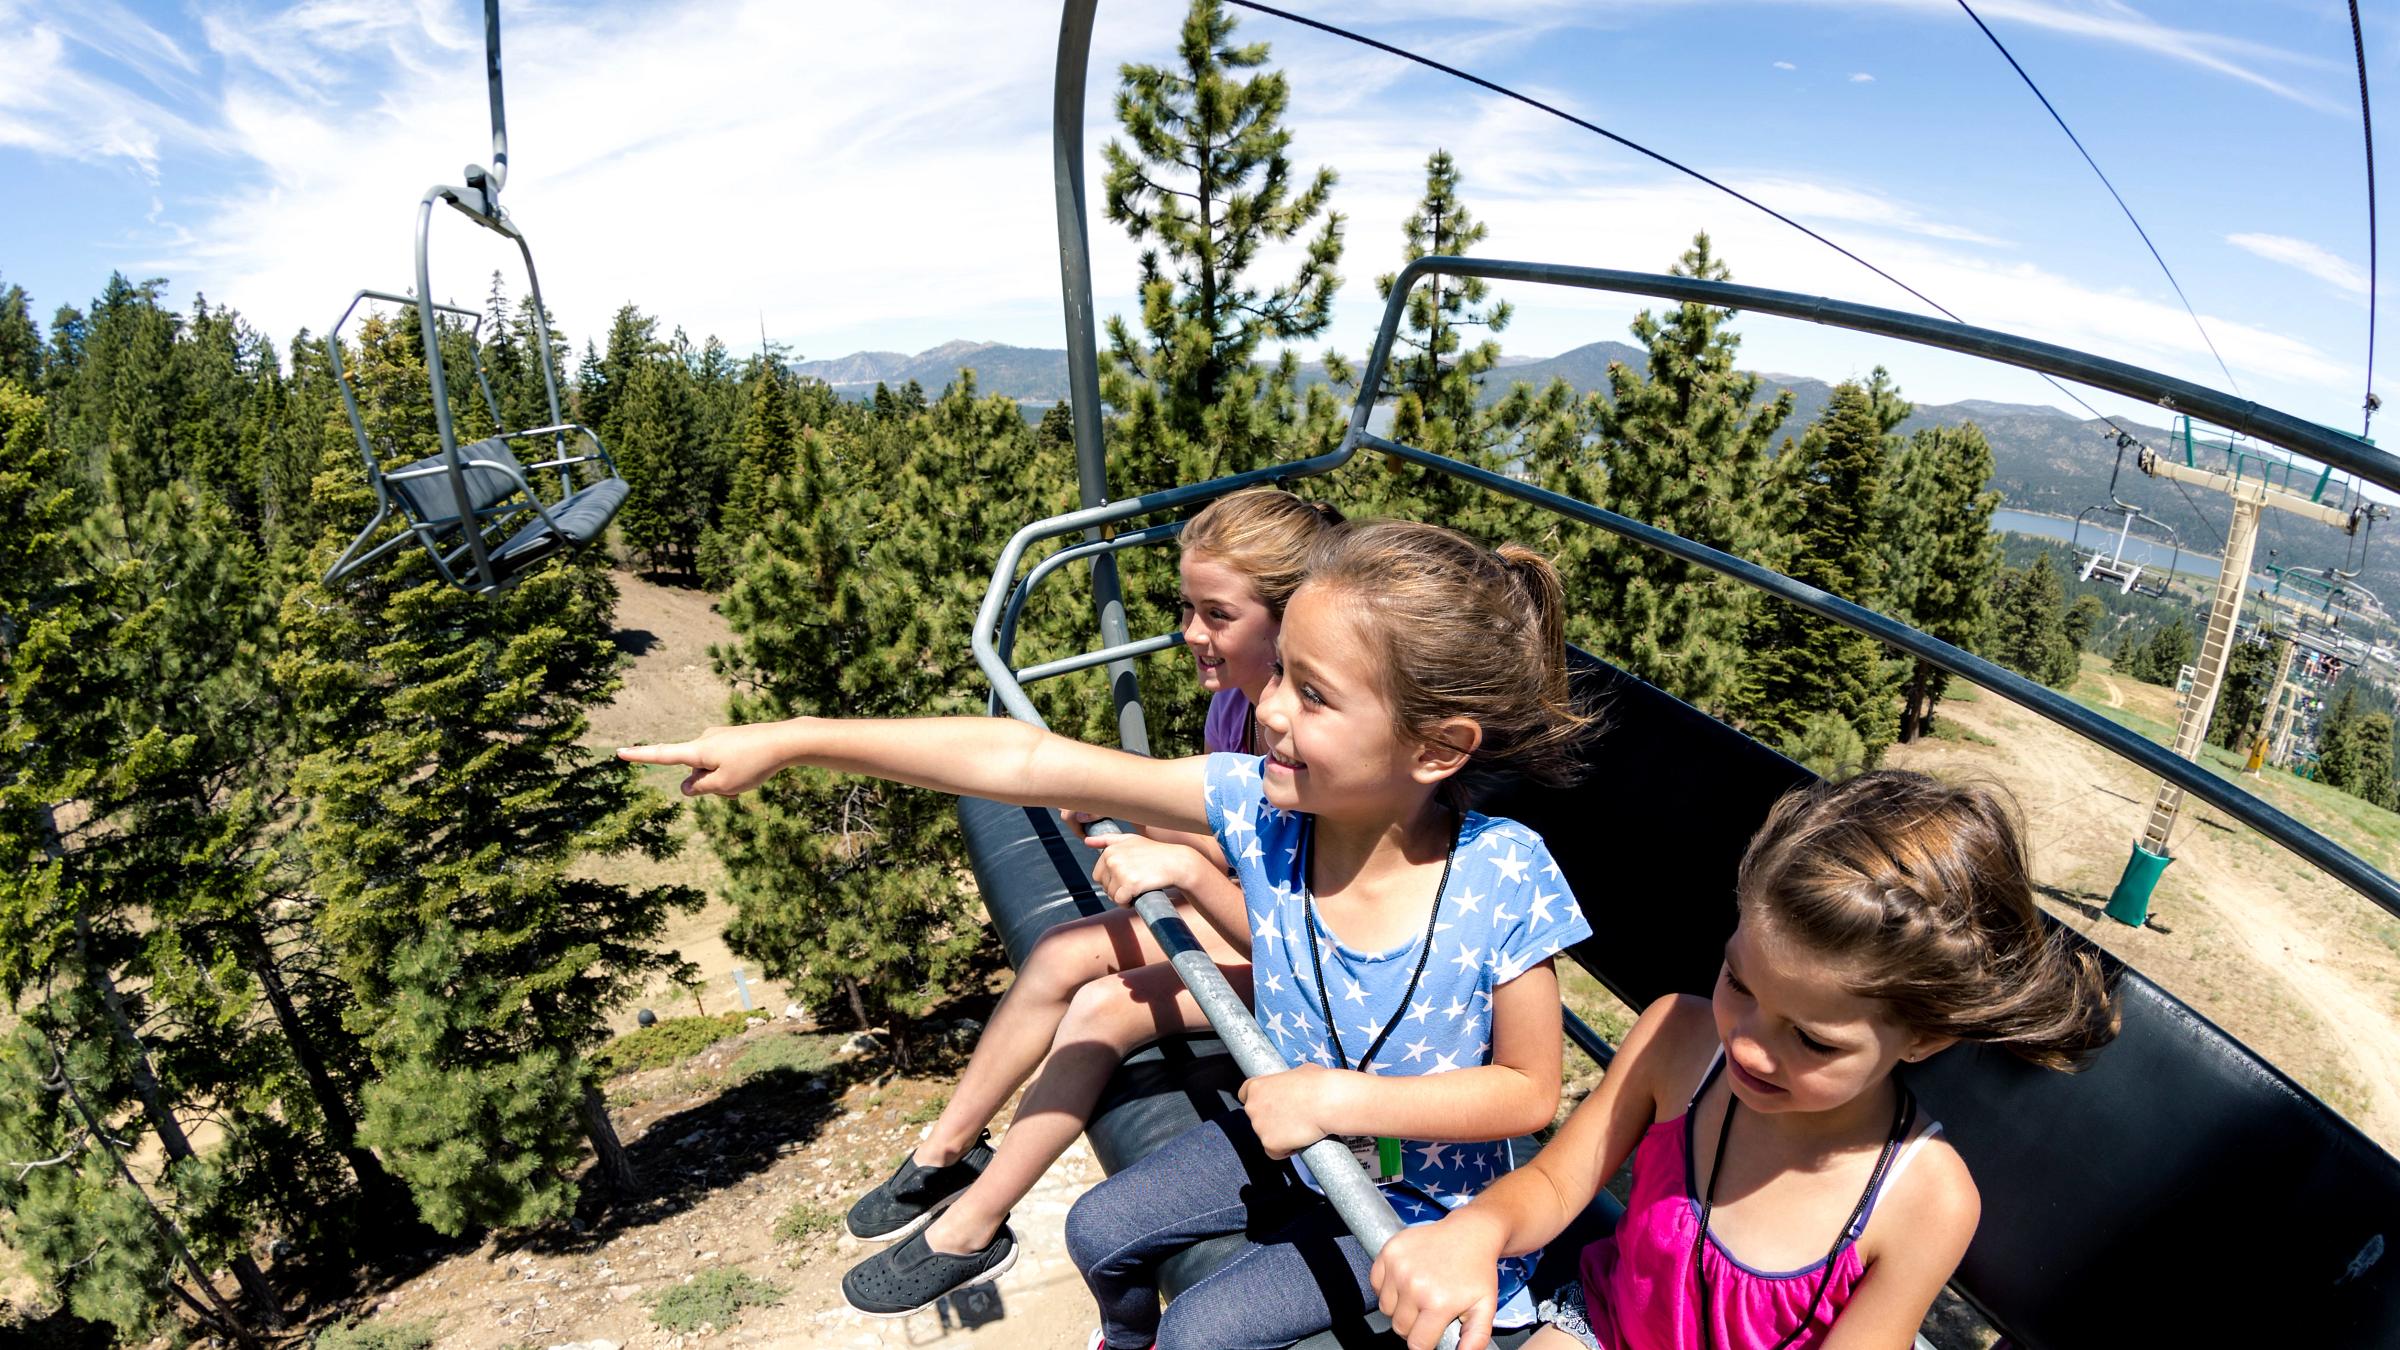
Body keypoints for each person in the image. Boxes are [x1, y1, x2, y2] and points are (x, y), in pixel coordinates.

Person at [619, 490, 1346, 1317]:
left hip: (1305, 962)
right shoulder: (1240, 713)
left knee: (1107, 1007)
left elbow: (1313, 930)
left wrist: (1183, 864)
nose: (1188, 634)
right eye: (1185, 608)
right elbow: (1034, 762)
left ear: (1291, 624)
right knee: (1065, 952)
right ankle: (946, 1151)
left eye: (1216, 614)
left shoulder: (1325, 758)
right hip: (1269, 923)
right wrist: (794, 737)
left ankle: (972, 1223)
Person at [1060, 520, 1599, 1350]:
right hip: (1305, 1143)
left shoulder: (1503, 876)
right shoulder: (1272, 818)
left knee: (1203, 1334)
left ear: (1437, 747)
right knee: (1098, 1233)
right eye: (1279, 672)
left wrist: (1339, 1099)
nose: (1266, 708)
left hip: (1415, 1201)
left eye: (1311, 693)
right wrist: (806, 739)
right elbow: (1025, 761)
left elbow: (1529, 1090)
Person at [1368, 770, 2122, 1350]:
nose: (1749, 1045)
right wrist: (1483, 1229)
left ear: (1924, 1038)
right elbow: (1558, 1180)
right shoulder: (1678, 1040)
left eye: (1814, 1039)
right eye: (1738, 981)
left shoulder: (1925, 1201)